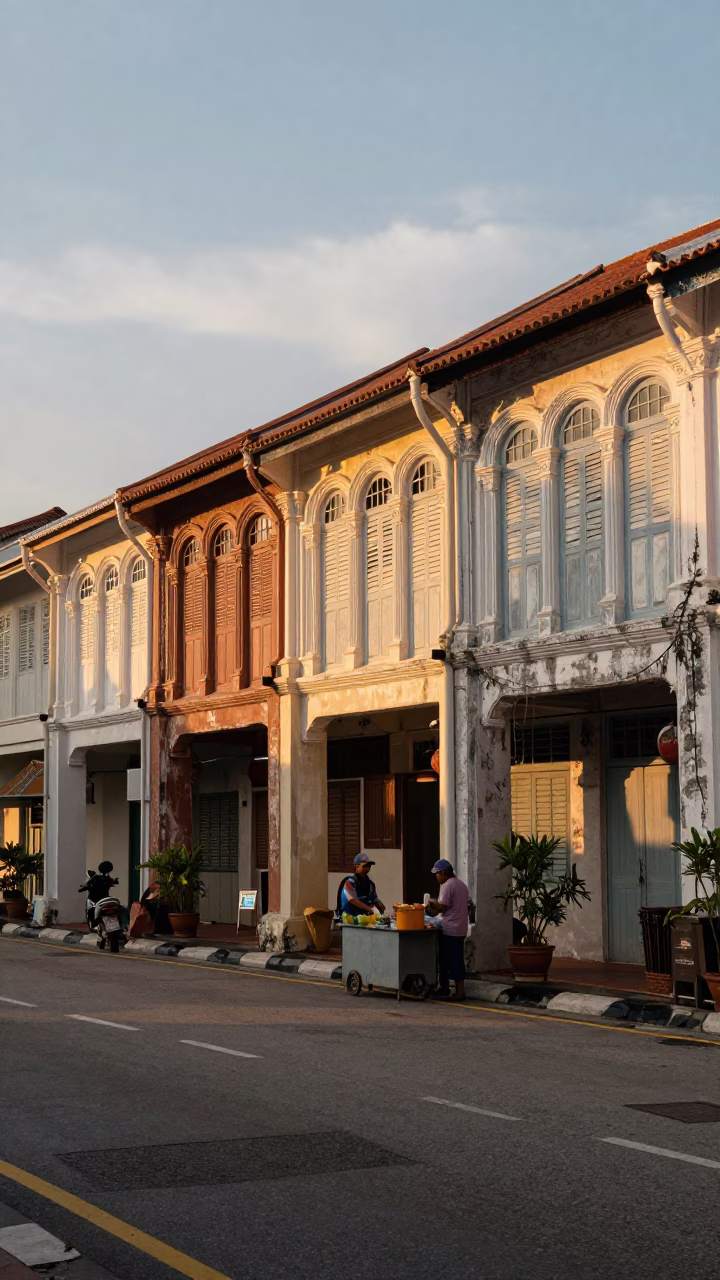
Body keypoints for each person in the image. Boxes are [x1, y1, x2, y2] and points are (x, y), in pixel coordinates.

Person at [425, 858, 469, 1001]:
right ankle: (445, 988)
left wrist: (432, 903)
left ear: (443, 873)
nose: (436, 877)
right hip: (460, 928)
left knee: (450, 960)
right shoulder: (461, 884)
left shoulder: (448, 885)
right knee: (451, 959)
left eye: (437, 874)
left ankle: (458, 992)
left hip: (450, 929)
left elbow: (442, 907)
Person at [337, 853, 386, 918]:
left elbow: (375, 899)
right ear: (356, 866)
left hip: (363, 919)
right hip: (349, 919)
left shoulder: (370, 885)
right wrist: (371, 909)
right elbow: (353, 900)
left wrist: (382, 910)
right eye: (364, 866)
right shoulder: (349, 883)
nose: (367, 869)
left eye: (369, 866)